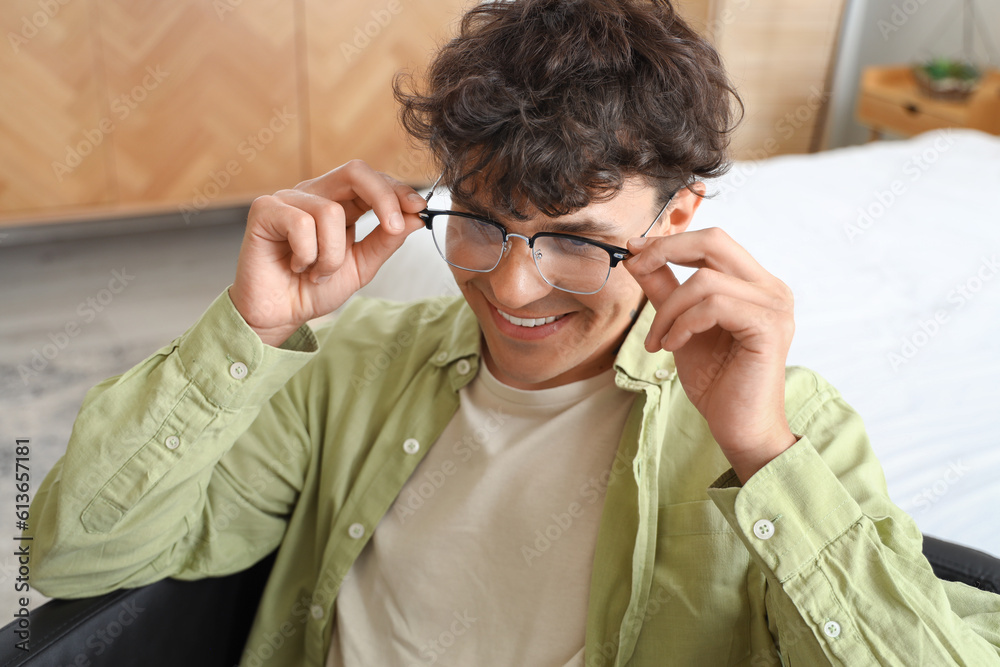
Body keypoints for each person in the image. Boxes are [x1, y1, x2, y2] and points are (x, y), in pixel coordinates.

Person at [27, 0, 1000, 665]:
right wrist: (249, 328)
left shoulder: (785, 429)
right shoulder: (353, 367)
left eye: (575, 241)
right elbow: (76, 559)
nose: (509, 281)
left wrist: (762, 451)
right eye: (482, 220)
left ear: (678, 209)